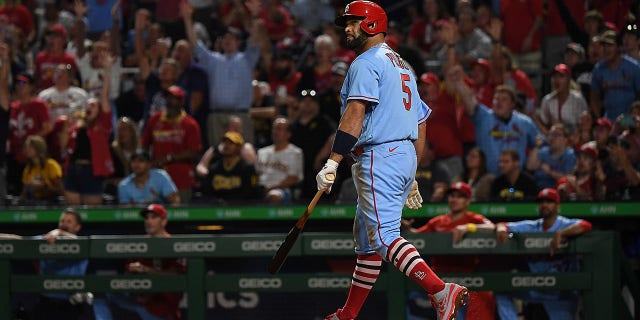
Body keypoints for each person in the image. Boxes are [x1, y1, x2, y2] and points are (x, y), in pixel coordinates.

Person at [318, 2, 468, 320]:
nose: (347, 28)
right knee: (367, 242)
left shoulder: (364, 63)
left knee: (385, 239)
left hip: (378, 156)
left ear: (372, 24)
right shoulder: (401, 65)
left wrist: (332, 161)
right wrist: (411, 169)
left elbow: (354, 114)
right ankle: (349, 313)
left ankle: (441, 291)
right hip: (399, 156)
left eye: (353, 22)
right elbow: (421, 119)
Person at [402, 182, 496, 320]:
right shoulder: (438, 221)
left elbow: (493, 227)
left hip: (466, 277)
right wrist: (406, 228)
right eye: (452, 196)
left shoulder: (473, 219)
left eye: (460, 196)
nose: (454, 199)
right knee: (408, 294)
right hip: (440, 276)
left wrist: (468, 227)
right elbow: (418, 238)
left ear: (467, 201)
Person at [494, 188, 593, 320]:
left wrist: (562, 233)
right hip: (537, 287)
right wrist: (501, 227)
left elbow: (586, 225)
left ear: (558, 206)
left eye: (549, 201)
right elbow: (504, 225)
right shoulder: (533, 226)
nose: (544, 205)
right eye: (541, 202)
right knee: (501, 291)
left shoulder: (564, 224)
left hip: (562, 293)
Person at [93, 204, 186, 320]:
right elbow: (128, 272)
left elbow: (177, 274)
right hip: (142, 301)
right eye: (147, 218)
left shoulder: (174, 244)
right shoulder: (139, 244)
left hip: (164, 307)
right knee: (100, 290)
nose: (148, 221)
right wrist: (134, 276)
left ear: (163, 221)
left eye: (153, 217)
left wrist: (146, 270)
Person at [0, 208, 91, 320]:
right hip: (46, 302)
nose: (64, 224)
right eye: (62, 221)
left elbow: (77, 241)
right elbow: (19, 240)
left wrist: (59, 232)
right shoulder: (47, 239)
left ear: (77, 227)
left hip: (71, 304)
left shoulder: (83, 245)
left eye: (69, 221)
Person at [63, 53, 114, 205]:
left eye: (93, 105)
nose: (88, 107)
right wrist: (67, 124)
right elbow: (62, 144)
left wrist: (107, 71)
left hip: (91, 170)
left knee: (91, 214)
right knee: (72, 212)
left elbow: (104, 96)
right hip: (73, 169)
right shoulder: (76, 126)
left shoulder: (103, 125)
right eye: (87, 105)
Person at [141, 85, 202, 203]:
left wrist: (169, 158)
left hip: (180, 177)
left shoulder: (190, 124)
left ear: (181, 101)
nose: (169, 101)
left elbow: (193, 152)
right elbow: (144, 145)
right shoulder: (155, 119)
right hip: (156, 176)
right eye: (168, 98)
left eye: (173, 98)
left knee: (180, 212)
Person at [202, 131, 261, 204]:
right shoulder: (214, 168)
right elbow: (208, 191)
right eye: (225, 142)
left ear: (239, 147)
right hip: (218, 208)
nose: (226, 145)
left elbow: (252, 190)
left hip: (241, 208)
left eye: (231, 143)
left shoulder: (248, 168)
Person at [256, 117, 304, 204]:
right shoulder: (262, 152)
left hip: (283, 190)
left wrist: (271, 188)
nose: (275, 132)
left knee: (274, 196)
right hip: (261, 189)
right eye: (274, 128)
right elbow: (256, 175)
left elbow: (293, 178)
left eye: (279, 129)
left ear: (288, 134)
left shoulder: (294, 152)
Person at [20, 135, 63, 203]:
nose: (27, 150)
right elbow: (23, 194)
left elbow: (60, 190)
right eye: (26, 147)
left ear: (38, 148)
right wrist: (28, 186)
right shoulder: (28, 169)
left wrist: (44, 186)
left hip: (51, 203)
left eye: (30, 147)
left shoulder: (51, 165)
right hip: (33, 202)